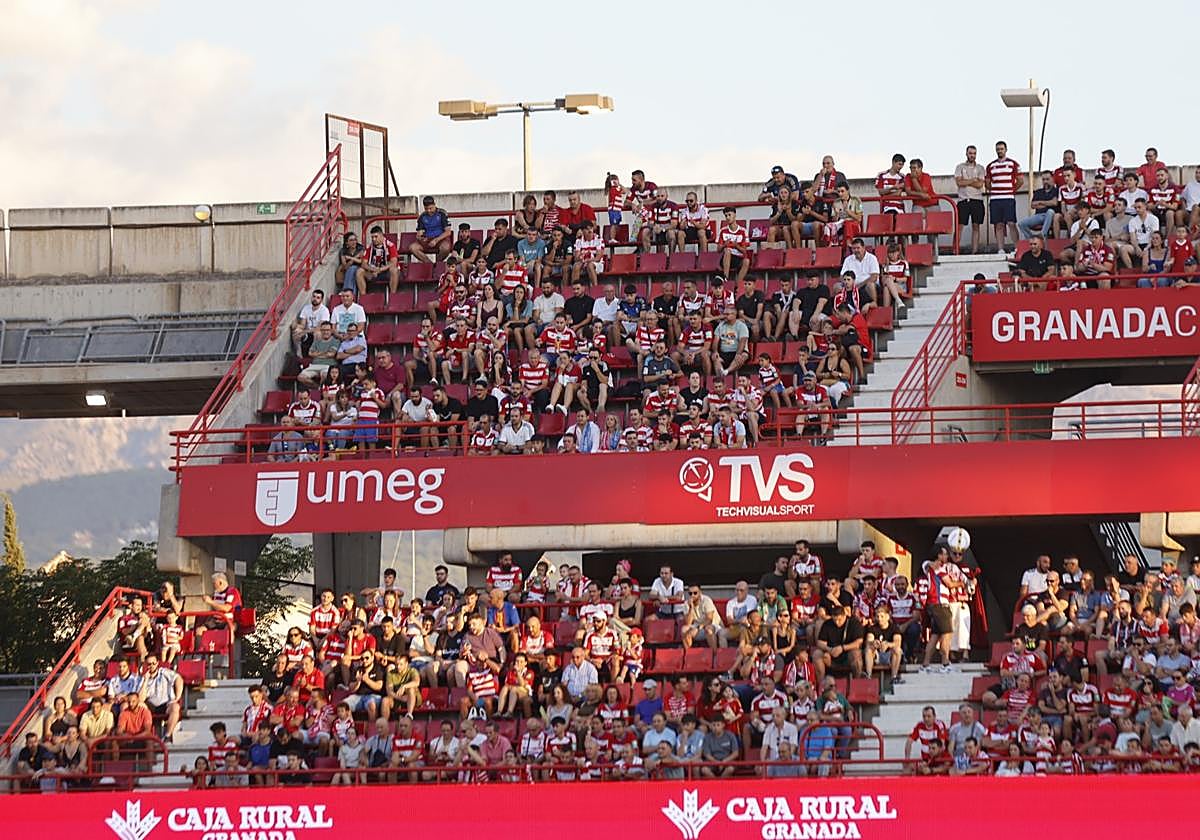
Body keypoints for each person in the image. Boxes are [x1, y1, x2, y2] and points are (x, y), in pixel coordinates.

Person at [985, 140, 1023, 254]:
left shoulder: (1013, 164)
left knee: (1011, 223)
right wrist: (995, 191)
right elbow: (987, 183)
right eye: (998, 149)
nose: (999, 151)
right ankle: (1000, 248)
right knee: (999, 224)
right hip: (995, 199)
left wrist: (1011, 190)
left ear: (1006, 150)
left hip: (1008, 198)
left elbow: (1020, 180)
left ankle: (1017, 247)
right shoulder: (990, 166)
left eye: (1001, 149)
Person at [954, 145, 986, 253]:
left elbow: (980, 185)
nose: (972, 155)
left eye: (974, 153)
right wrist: (973, 180)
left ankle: (974, 251)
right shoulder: (959, 167)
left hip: (977, 200)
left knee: (976, 226)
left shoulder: (981, 168)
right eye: (970, 153)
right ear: (966, 154)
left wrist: (966, 181)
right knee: (959, 226)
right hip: (963, 200)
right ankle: (955, 250)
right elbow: (959, 183)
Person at [1018, 171, 1059, 240]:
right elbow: (1033, 205)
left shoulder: (1056, 190)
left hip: (1051, 216)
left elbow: (1054, 203)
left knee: (1050, 211)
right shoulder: (1038, 192)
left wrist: (1040, 202)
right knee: (1021, 224)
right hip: (1039, 216)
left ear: (1052, 179)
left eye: (1047, 179)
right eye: (1043, 179)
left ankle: (1043, 234)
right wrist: (1047, 203)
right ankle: (1032, 240)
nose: (1045, 181)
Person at [359, 226, 399, 293]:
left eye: (376, 237)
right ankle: (364, 297)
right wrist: (373, 270)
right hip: (373, 271)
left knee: (394, 270)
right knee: (359, 271)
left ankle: (393, 296)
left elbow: (393, 262)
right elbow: (363, 264)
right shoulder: (369, 247)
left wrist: (380, 270)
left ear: (381, 236)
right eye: (372, 237)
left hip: (386, 272)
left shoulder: (390, 245)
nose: (373, 239)